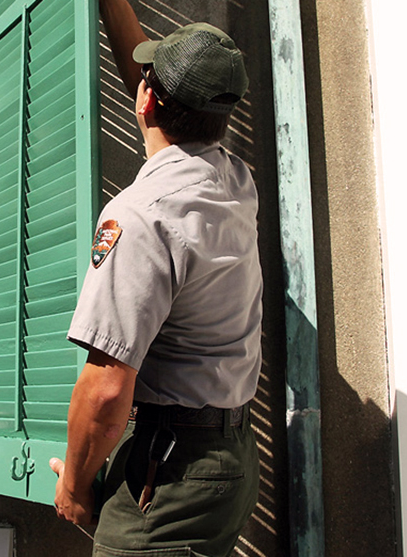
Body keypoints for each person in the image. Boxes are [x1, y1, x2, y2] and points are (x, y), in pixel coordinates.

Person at [49, 2, 263, 556]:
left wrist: (73, 487)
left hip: (172, 468)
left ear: (147, 101)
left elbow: (106, 387)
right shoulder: (235, 182)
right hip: (233, 455)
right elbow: (164, 101)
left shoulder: (140, 215)